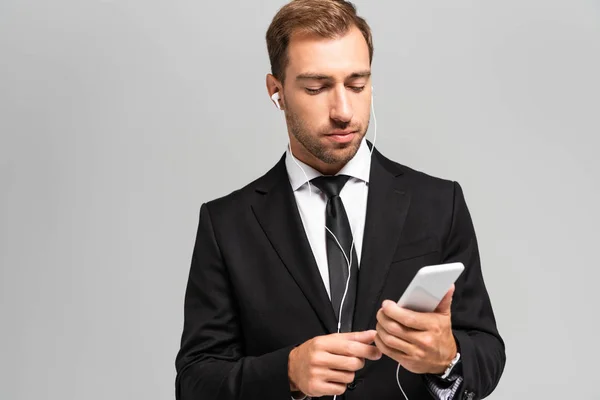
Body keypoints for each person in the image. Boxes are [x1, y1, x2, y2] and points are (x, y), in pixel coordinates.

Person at [175, 1, 505, 399]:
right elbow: (195, 382)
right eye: (317, 87)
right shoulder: (226, 224)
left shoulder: (439, 203)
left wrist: (447, 359)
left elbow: (487, 352)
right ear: (276, 91)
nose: (344, 111)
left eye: (357, 84)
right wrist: (287, 373)